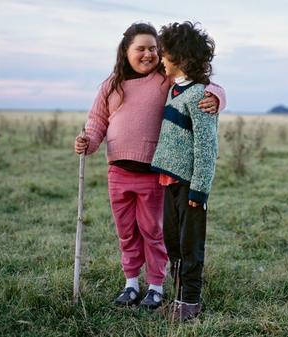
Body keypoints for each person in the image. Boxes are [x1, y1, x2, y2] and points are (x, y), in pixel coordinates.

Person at [74, 22, 225, 310]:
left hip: (153, 173)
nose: (149, 54)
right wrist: (87, 142)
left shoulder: (164, 78)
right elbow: (97, 123)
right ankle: (131, 282)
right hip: (118, 172)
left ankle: (155, 285)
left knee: (153, 231)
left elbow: (200, 83)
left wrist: (217, 96)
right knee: (126, 231)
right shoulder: (112, 84)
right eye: (140, 49)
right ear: (126, 51)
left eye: (154, 49)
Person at [150, 21, 219, 321]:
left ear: (183, 58)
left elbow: (206, 147)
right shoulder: (174, 89)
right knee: (172, 242)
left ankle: (190, 303)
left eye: (165, 54)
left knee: (191, 246)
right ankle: (177, 299)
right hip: (169, 181)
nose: (161, 59)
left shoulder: (201, 97)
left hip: (190, 186)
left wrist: (200, 189)